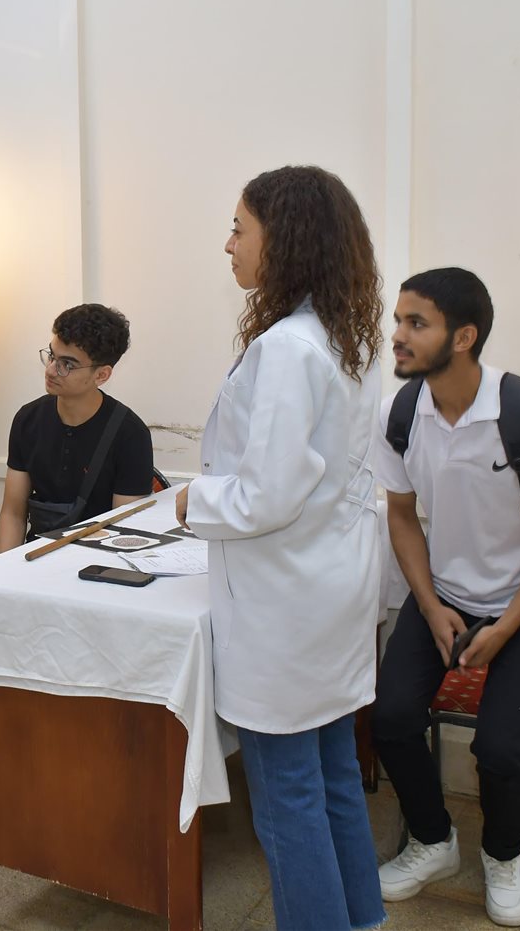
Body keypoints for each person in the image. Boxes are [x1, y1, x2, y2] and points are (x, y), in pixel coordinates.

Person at [177, 165, 385, 931]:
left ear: (285, 239)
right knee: (332, 779)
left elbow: (266, 495)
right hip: (326, 589)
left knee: (288, 799)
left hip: (287, 607)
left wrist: (191, 500)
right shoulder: (341, 336)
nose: (228, 243)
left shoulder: (291, 347)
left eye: (240, 228)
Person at [371, 268, 520, 928]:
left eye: (416, 323)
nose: (398, 335)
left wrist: (506, 625)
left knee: (499, 747)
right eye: (398, 319)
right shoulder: (400, 413)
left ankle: (502, 855)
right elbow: (401, 515)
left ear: (463, 337)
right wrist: (431, 604)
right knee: (389, 717)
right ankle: (433, 840)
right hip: (447, 593)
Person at [0, 303, 154, 807]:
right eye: (51, 354)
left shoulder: (128, 433)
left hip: (93, 573)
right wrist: (5, 574)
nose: (52, 369)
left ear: (102, 373)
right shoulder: (29, 419)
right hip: (33, 561)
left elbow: (122, 532)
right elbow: (12, 510)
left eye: (68, 363)